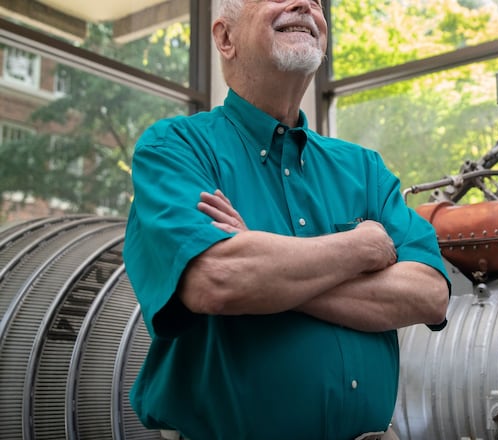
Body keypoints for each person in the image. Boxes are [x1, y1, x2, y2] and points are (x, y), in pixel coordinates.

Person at [121, 0, 451, 439]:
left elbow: (428, 293)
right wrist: (362, 248)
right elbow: (217, 279)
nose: (306, 5)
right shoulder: (175, 148)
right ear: (224, 38)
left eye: (316, 0)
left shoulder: (364, 168)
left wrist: (265, 266)